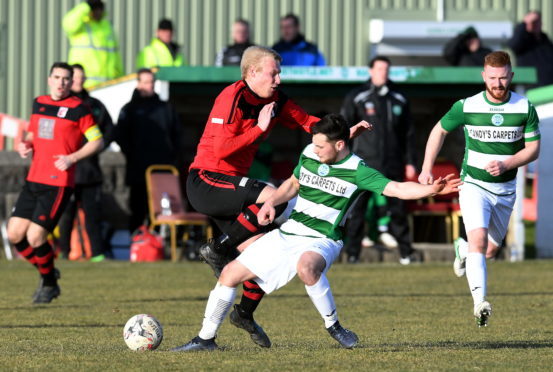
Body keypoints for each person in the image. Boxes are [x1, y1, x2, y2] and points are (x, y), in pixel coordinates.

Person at [173, 114, 461, 351]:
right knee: (228, 275)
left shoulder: (357, 170)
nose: (315, 150)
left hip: (324, 239)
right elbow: (291, 184)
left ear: (338, 145)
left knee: (306, 268)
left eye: (321, 146)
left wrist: (430, 190)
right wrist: (271, 202)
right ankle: (205, 339)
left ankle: (333, 325)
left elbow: (397, 188)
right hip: (289, 233)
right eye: (314, 145)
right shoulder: (312, 153)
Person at [186, 46, 368, 348]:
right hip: (207, 181)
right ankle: (217, 248)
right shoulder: (231, 97)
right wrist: (258, 129)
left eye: (279, 73)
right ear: (252, 72)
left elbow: (309, 123)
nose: (279, 79)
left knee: (261, 257)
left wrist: (343, 137)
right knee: (275, 196)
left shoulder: (275, 99)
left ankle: (238, 317)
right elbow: (220, 151)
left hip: (233, 190)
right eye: (274, 73)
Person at [418, 51, 540, 327]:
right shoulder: (467, 106)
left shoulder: (524, 107)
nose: (498, 83)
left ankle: (461, 250)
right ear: (484, 76)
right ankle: (479, 303)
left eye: (503, 78)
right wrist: (426, 168)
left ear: (512, 76)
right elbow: (438, 131)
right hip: (473, 184)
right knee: (479, 241)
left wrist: (508, 162)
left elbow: (533, 149)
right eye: (493, 78)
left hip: (506, 189)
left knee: (489, 251)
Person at [6, 62, 104, 304]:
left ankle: (49, 284)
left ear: (71, 83)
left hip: (58, 182)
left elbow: (97, 141)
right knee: (14, 234)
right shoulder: (39, 102)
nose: (61, 82)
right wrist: (24, 145)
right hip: (33, 179)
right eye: (57, 77)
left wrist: (72, 157)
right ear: (49, 79)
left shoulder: (79, 109)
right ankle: (48, 271)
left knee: (36, 237)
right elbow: (32, 134)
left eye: (66, 79)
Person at [341, 56, 418, 264]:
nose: (383, 72)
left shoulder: (399, 98)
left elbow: (409, 134)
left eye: (386, 68)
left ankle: (406, 253)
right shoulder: (357, 97)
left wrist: (411, 162)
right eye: (379, 68)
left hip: (393, 163)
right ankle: (352, 255)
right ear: (370, 71)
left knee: (399, 209)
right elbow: (344, 131)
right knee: (357, 211)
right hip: (363, 164)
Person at [57, 64, 114, 262]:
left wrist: (98, 146)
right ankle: (64, 253)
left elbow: (108, 131)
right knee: (65, 216)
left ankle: (97, 254)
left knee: (93, 216)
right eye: (75, 77)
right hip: (66, 171)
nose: (78, 81)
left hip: (90, 171)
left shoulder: (95, 105)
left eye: (81, 77)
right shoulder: (63, 105)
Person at [115, 69, 182, 233]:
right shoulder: (129, 109)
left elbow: (177, 134)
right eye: (145, 82)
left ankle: (159, 243)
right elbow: (120, 135)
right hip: (138, 168)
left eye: (151, 82)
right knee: (137, 208)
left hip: (162, 167)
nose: (149, 86)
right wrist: (131, 154)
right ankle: (136, 242)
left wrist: (172, 156)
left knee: (162, 208)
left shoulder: (165, 108)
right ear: (138, 84)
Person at [62, 0, 124, 89]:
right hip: (84, 85)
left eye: (100, 9)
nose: (98, 12)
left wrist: (120, 79)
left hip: (109, 85)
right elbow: (68, 24)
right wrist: (85, 6)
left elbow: (115, 55)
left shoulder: (107, 27)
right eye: (95, 9)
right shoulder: (82, 26)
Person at [508, 10, 553, 87]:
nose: (534, 25)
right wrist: (524, 23)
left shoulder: (545, 40)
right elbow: (513, 45)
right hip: (530, 86)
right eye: (532, 22)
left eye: (536, 21)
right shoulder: (523, 39)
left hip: (548, 85)